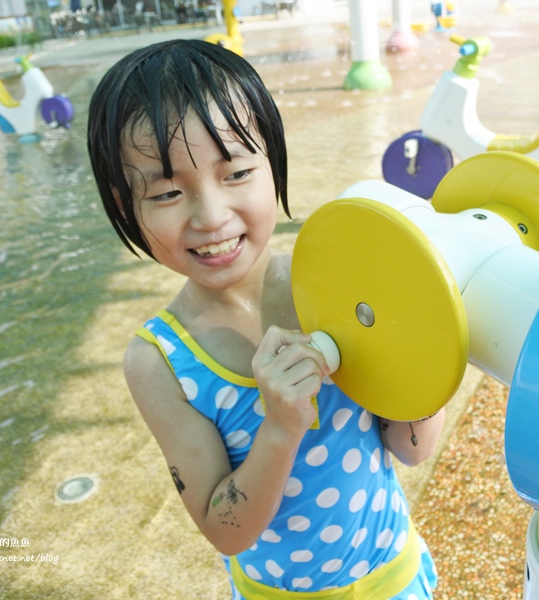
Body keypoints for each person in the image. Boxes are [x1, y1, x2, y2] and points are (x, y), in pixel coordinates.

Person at [87, 39, 445, 599]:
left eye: (236, 174)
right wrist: (278, 428)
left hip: (392, 577)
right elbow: (224, 529)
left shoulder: (335, 284)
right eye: (168, 191)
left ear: (272, 164)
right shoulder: (159, 361)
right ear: (125, 202)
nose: (211, 216)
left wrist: (425, 348)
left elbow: (412, 450)